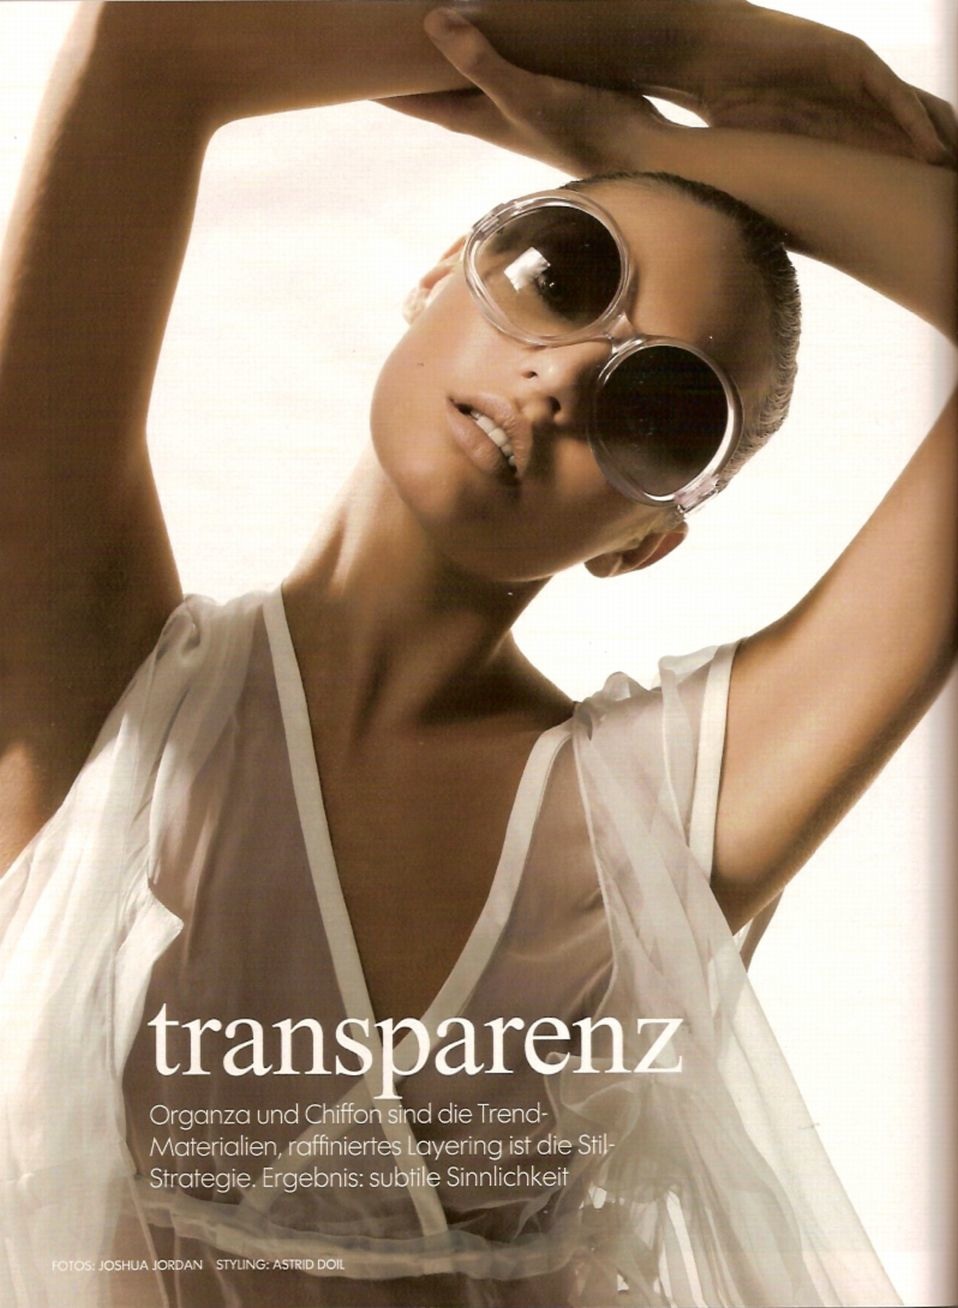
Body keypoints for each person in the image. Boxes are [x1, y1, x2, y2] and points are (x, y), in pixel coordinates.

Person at [0, 3, 954, 1307]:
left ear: (644, 541)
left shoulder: (656, 822)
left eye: (656, 409)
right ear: (442, 270)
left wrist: (646, 150)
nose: (561, 384)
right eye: (563, 277)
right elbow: (147, 40)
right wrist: (697, 47)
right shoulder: (100, 688)